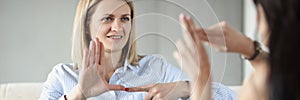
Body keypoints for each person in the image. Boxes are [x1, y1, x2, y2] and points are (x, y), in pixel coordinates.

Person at [40, 0, 236, 100]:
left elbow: (228, 97)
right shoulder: (61, 76)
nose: (118, 27)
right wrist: (79, 94)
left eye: (125, 18)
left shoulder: (155, 67)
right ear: (86, 26)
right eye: (107, 18)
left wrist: (183, 88)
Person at [174, 0, 300, 99]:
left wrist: (201, 83)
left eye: (259, 10)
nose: (257, 20)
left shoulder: (259, 87)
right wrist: (249, 48)